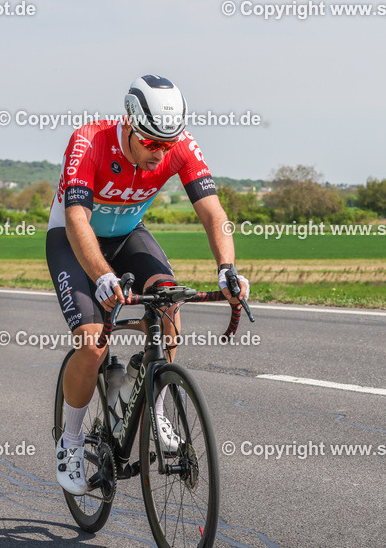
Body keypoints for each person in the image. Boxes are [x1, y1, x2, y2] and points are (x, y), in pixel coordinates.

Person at [46, 74, 249, 495]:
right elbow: (78, 219)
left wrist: (226, 269)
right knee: (92, 342)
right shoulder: (90, 140)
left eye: (167, 144)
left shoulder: (179, 146)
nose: (161, 154)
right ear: (130, 126)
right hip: (73, 239)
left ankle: (148, 395)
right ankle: (70, 440)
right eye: (151, 144)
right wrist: (101, 276)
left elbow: (214, 213)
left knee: (169, 306)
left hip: (128, 234)